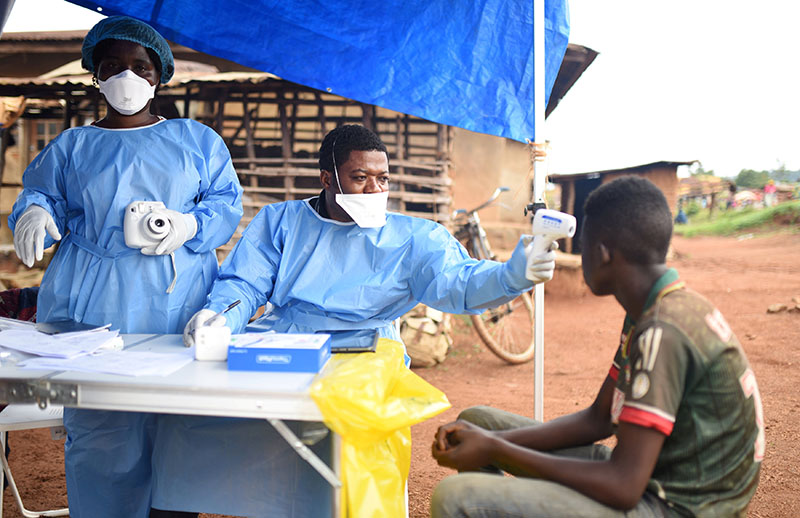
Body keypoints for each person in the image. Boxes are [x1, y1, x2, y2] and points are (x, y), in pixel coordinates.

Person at [150, 124, 557, 517]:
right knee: (195, 418)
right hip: (285, 337)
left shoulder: (413, 238)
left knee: (358, 427)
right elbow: (244, 283)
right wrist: (218, 317)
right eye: (360, 177)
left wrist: (512, 275)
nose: (374, 189)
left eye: (383, 179)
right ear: (327, 179)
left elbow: (458, 282)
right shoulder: (282, 222)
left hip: (368, 349)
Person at [8, 16, 243, 518]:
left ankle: (174, 510)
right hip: (93, 297)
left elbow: (225, 202)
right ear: (95, 74)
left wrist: (190, 225)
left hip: (177, 293)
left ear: (159, 76)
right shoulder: (72, 146)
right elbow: (43, 192)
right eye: (112, 66)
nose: (126, 77)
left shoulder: (196, 141)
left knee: (179, 416)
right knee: (101, 421)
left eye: (139, 67)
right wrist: (35, 210)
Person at [430, 176, 763, 518]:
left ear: (603, 253)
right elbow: (599, 418)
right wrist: (491, 443)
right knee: (477, 422)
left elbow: (622, 486)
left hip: (676, 505)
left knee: (455, 497)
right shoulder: (654, 307)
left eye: (582, 244)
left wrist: (495, 449)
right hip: (651, 478)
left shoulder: (662, 329)